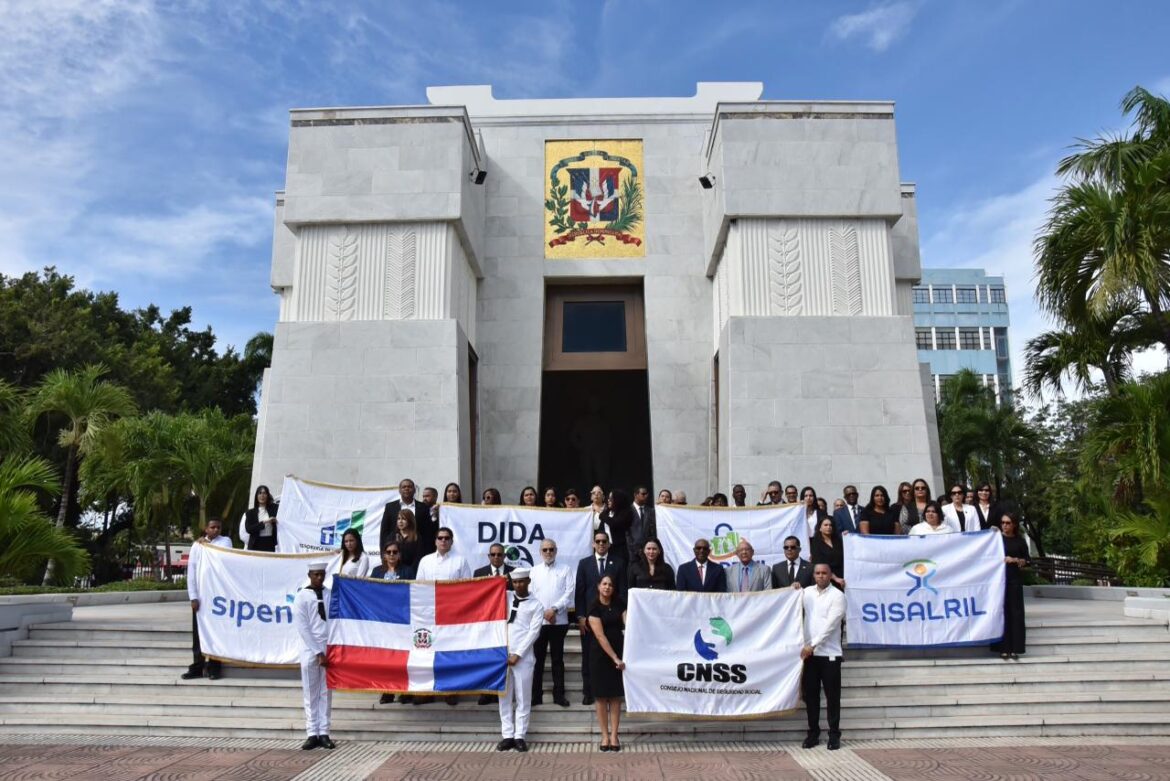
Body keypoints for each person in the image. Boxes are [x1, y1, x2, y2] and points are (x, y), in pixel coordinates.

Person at [415, 527, 471, 706]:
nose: (443, 541)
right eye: (440, 538)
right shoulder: (425, 561)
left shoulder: (460, 561)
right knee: (427, 651)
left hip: (452, 615)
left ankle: (450, 690)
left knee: (450, 653)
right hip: (429, 615)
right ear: (435, 541)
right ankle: (426, 691)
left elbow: (467, 588)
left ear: (452, 541)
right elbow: (419, 587)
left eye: (447, 538)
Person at [574, 531, 625, 705]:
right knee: (588, 656)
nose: (601, 544)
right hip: (590, 619)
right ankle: (588, 691)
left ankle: (614, 691)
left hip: (612, 618)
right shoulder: (584, 564)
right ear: (593, 544)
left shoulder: (618, 563)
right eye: (598, 541)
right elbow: (580, 592)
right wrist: (580, 616)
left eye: (604, 541)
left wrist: (622, 615)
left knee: (613, 654)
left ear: (609, 544)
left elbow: (623, 592)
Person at [496, 568, 544, 753]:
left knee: (523, 698)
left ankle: (520, 736)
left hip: (523, 657)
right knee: (504, 698)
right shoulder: (505, 597)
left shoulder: (536, 605)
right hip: (502, 655)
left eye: (522, 581)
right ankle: (507, 735)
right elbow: (490, 588)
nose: (518, 585)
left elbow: (534, 632)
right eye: (515, 582)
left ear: (528, 581)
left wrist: (518, 654)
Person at [801, 563, 846, 751]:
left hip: (830, 655)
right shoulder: (806, 593)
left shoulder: (838, 596)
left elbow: (831, 625)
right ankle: (813, 733)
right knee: (811, 697)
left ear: (830, 575)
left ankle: (834, 734)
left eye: (824, 573)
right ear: (813, 575)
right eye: (817, 573)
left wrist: (813, 645)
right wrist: (793, 588)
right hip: (809, 655)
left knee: (832, 697)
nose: (821, 576)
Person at [182, 518, 233, 681]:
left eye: (218, 527)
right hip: (202, 596)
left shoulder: (225, 542)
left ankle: (214, 667)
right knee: (198, 634)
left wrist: (206, 544)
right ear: (206, 528)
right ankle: (197, 666)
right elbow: (192, 572)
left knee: (216, 632)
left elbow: (223, 556)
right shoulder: (197, 546)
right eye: (212, 527)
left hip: (217, 597)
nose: (215, 530)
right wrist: (193, 596)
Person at [293, 561, 334, 750]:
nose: (319, 578)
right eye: (316, 574)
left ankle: (324, 731)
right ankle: (311, 732)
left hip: (328, 646)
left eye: (322, 574)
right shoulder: (302, 596)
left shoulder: (329, 593)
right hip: (310, 648)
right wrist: (317, 652)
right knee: (311, 692)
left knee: (326, 692)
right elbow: (303, 627)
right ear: (309, 574)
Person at [529, 537, 574, 708]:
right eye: (545, 550)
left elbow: (569, 593)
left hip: (558, 621)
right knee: (537, 660)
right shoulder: (533, 571)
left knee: (557, 660)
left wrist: (554, 609)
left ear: (556, 551)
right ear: (540, 552)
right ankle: (536, 695)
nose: (548, 552)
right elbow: (530, 595)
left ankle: (559, 695)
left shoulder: (565, 569)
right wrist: (544, 613)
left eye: (551, 549)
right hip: (539, 622)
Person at [587, 574, 626, 752]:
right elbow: (600, 636)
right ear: (598, 586)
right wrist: (615, 658)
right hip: (601, 656)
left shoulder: (620, 605)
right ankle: (604, 735)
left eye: (610, 584)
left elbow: (629, 625)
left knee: (616, 698)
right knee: (601, 697)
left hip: (619, 653)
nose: (607, 587)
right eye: (604, 584)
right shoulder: (593, 608)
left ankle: (614, 735)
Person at [372, 542, 415, 704]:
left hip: (402, 620)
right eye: (388, 552)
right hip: (383, 622)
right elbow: (370, 593)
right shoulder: (377, 572)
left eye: (394, 552)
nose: (391, 555)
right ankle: (387, 690)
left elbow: (413, 593)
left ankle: (404, 690)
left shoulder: (408, 571)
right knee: (385, 658)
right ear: (383, 555)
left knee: (402, 657)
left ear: (399, 555)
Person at [993, 512, 1031, 660]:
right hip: (999, 581)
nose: (1005, 525)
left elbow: (1027, 560)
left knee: (1016, 614)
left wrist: (1015, 560)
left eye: (1008, 523)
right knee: (1002, 613)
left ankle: (1015, 648)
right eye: (1003, 522)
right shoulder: (996, 539)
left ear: (1014, 524)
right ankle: (1003, 648)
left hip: (1014, 580)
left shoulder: (1020, 541)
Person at [380, 479, 431, 557]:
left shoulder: (423, 507)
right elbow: (384, 531)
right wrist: (383, 554)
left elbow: (427, 532)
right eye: (404, 487)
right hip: (395, 552)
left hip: (417, 551)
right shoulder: (390, 507)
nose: (406, 488)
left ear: (414, 490)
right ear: (399, 490)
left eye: (409, 487)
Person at [809, 517, 845, 588]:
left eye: (830, 525)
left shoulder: (838, 541)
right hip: (826, 579)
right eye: (825, 525)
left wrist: (847, 537)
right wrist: (835, 578)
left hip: (842, 577)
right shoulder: (815, 543)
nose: (828, 527)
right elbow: (819, 563)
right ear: (820, 528)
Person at [601, 489, 635, 565]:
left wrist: (603, 515)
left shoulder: (626, 513)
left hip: (620, 549)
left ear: (617, 500)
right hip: (605, 549)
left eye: (611, 498)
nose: (608, 500)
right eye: (608, 498)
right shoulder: (607, 512)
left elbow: (614, 523)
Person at [243, 485, 279, 552]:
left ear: (268, 495)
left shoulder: (274, 509)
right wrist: (265, 522)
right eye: (260, 493)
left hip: (269, 543)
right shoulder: (250, 513)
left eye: (264, 493)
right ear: (256, 496)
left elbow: (285, 505)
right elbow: (249, 529)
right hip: (255, 544)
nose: (262, 495)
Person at [628, 486, 656, 559]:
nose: (646, 496)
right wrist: (633, 548)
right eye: (643, 494)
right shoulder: (628, 510)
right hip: (631, 552)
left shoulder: (651, 511)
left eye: (647, 494)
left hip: (648, 553)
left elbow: (653, 531)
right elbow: (626, 533)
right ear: (635, 495)